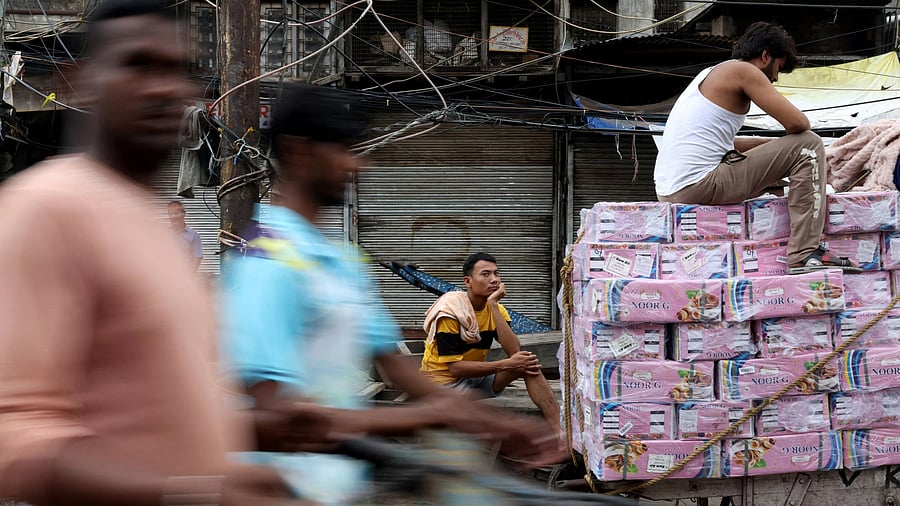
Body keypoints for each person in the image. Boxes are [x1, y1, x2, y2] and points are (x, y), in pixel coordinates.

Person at [0, 1, 302, 505]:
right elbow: (15, 435)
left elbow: (151, 411)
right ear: (83, 81)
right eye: (139, 65)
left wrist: (262, 430)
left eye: (178, 71)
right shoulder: (46, 209)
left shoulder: (149, 226)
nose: (165, 88)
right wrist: (197, 495)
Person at [221, 84, 563, 505]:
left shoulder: (343, 261)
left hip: (344, 483)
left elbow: (394, 366)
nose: (357, 165)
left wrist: (484, 420)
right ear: (299, 151)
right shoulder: (267, 261)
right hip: (285, 490)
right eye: (344, 150)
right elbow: (277, 417)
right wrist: (429, 416)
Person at [654, 21, 859, 274]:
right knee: (809, 144)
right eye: (779, 68)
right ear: (765, 56)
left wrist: (775, 149)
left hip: (672, 189)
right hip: (699, 184)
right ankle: (805, 253)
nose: (775, 78)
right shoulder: (744, 71)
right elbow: (798, 123)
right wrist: (791, 149)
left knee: (793, 153)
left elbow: (725, 144)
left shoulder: (711, 73)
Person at [419, 252, 562, 435]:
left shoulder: (496, 309)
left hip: (472, 381)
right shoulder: (451, 312)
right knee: (518, 364)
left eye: (496, 273)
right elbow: (456, 368)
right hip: (443, 386)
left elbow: (514, 351)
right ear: (468, 281)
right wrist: (505, 364)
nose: (494, 280)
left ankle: (559, 430)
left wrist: (493, 305)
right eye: (485, 274)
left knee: (527, 363)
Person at [168, 200, 203, 270]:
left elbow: (197, 259)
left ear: (184, 214)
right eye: (170, 214)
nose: (173, 216)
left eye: (176, 213)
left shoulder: (194, 235)